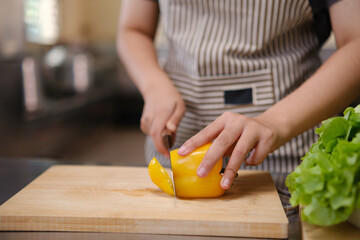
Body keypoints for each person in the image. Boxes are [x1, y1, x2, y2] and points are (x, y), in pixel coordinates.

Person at [117, 0, 360, 190]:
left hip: (287, 156)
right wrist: (154, 86)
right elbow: (133, 29)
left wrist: (271, 123)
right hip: (176, 146)